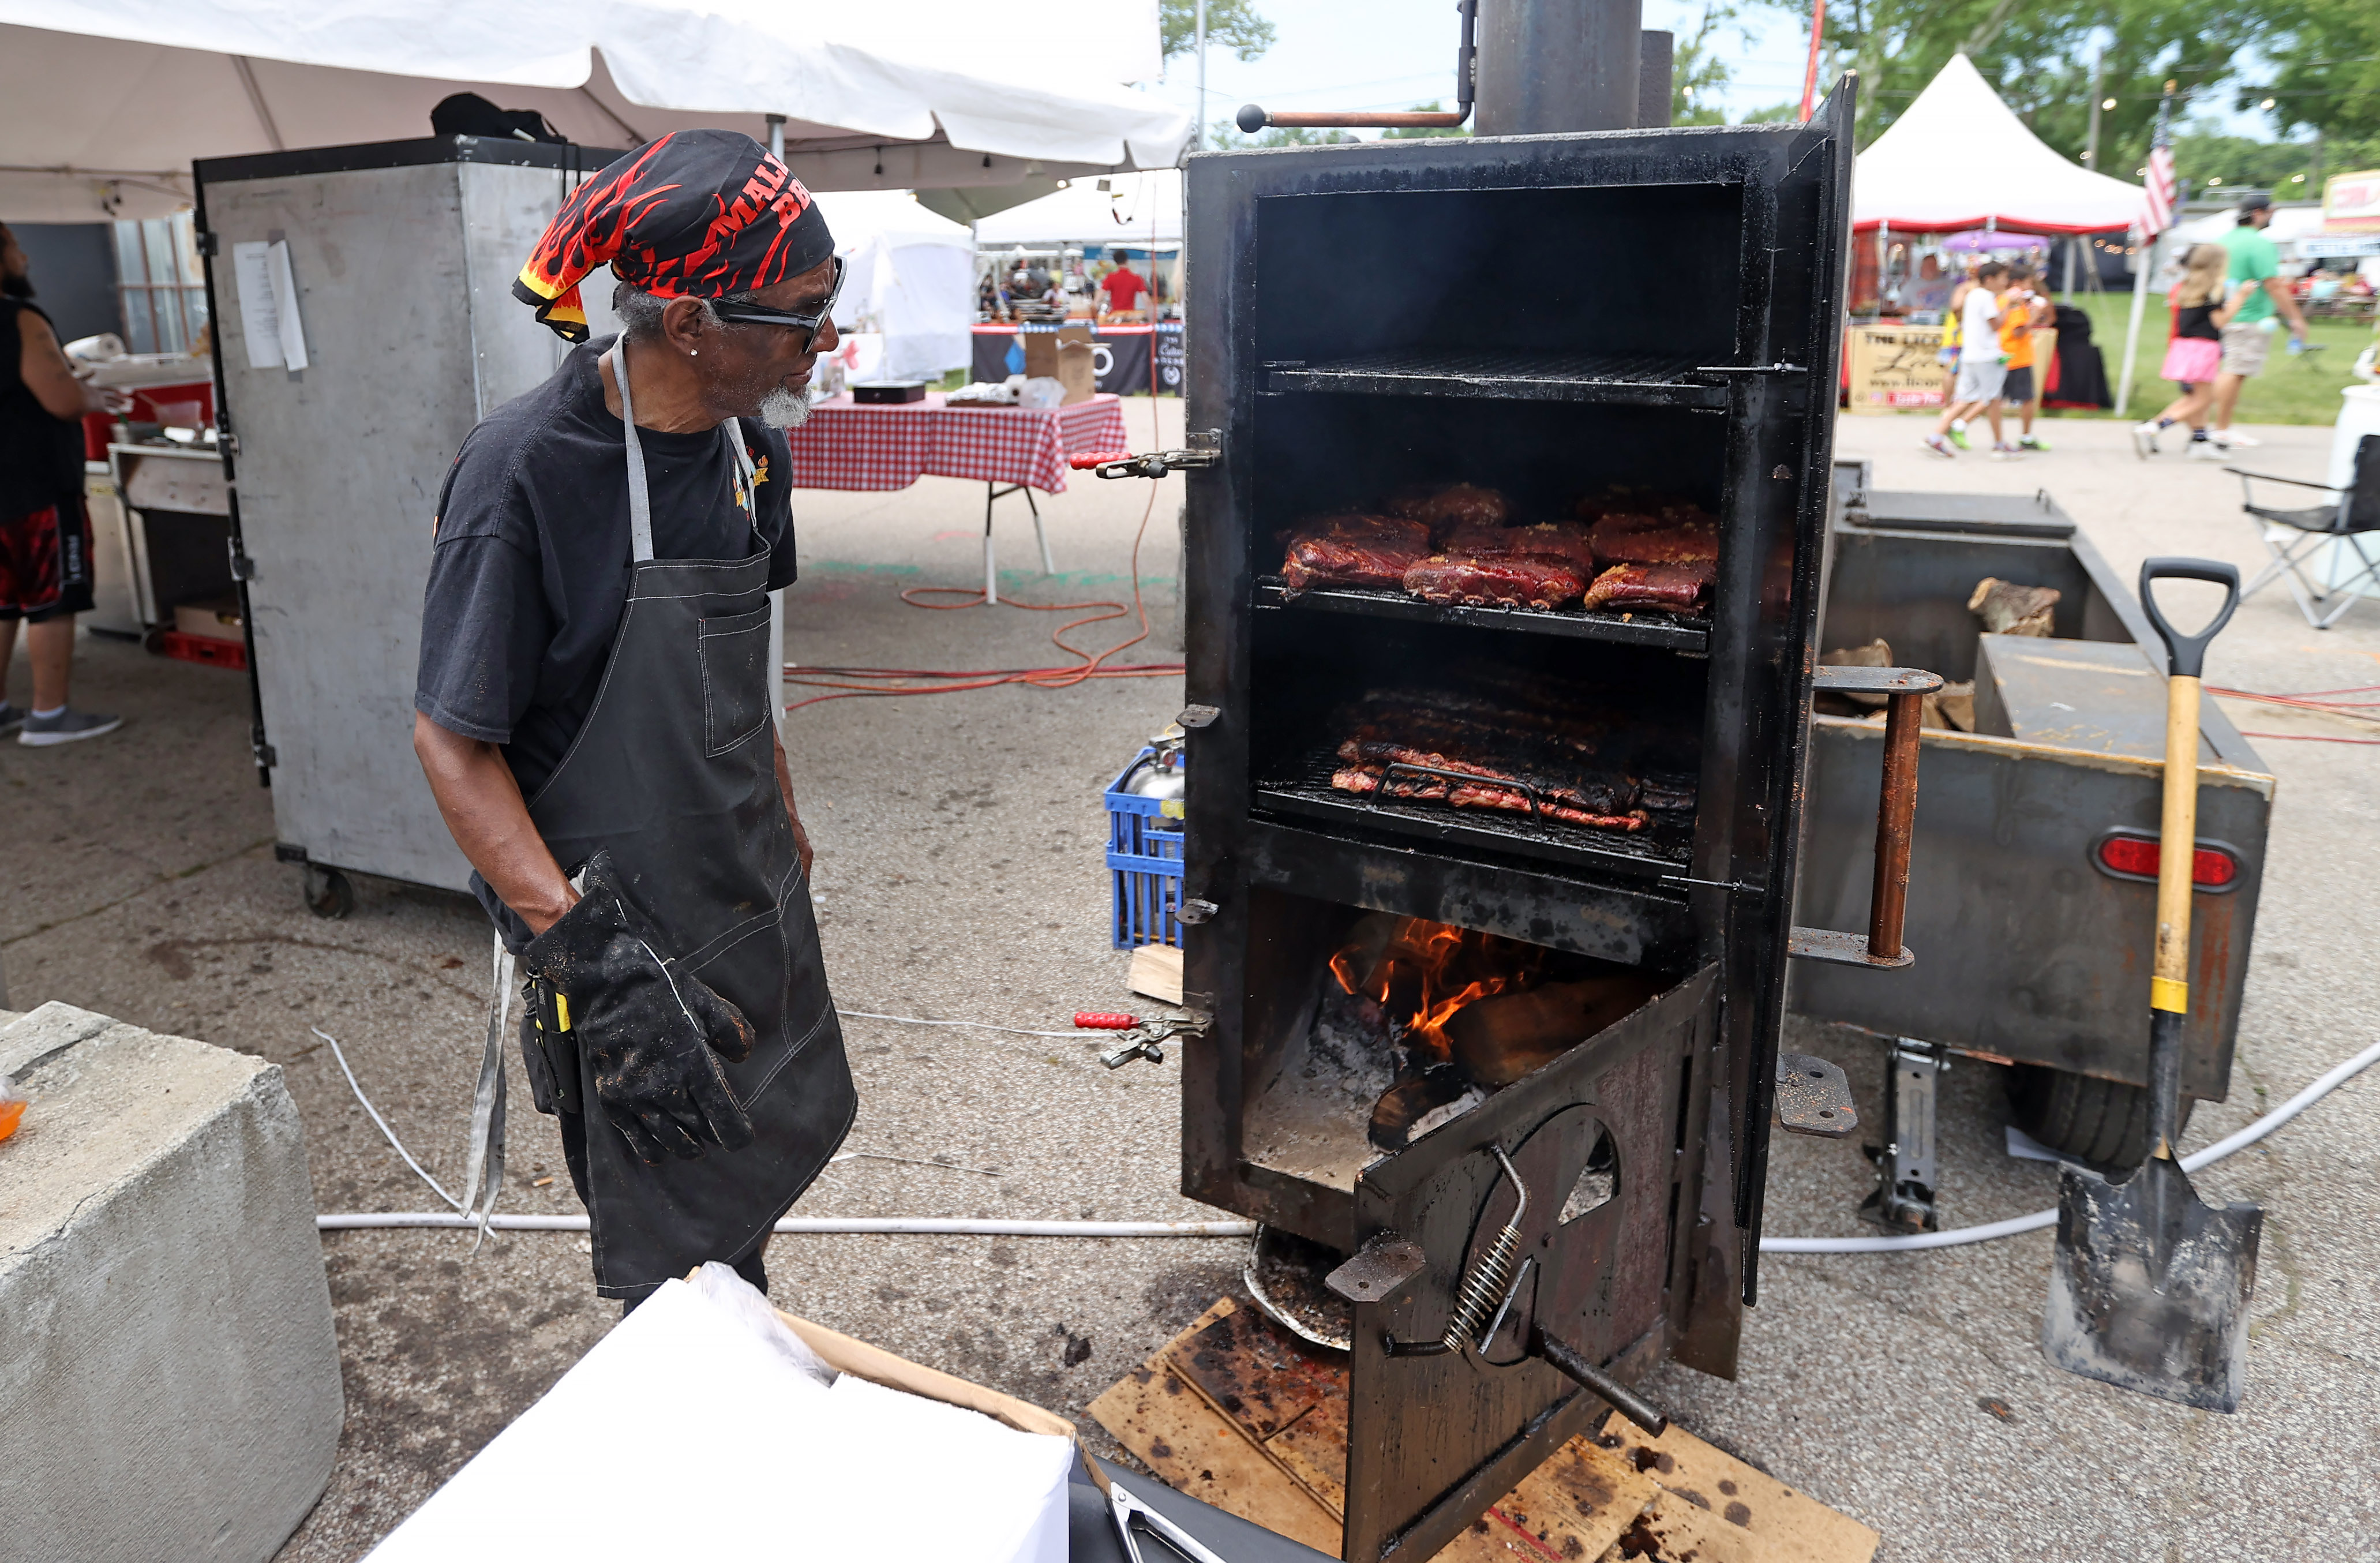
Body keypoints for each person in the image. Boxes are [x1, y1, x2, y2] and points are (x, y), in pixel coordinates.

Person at [411, 130, 857, 1310]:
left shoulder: (750, 452)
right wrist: (592, 961)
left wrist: (784, 822)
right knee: (674, 1259)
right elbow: (451, 743)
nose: (823, 342)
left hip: (738, 877)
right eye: (803, 315)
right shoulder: (524, 475)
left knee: (753, 1180)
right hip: (618, 925)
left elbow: (735, 660)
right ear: (693, 319)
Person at [0, 222, 122, 746]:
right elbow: (63, 400)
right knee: (53, 598)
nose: (24, 254)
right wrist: (96, 397)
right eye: (13, 244)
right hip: (37, 486)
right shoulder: (19, 319)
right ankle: (49, 716)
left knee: (3, 601)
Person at [2132, 244, 2261, 459]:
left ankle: (2197, 440)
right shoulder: (2212, 292)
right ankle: (2157, 426)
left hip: (2184, 346)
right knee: (2204, 399)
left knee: (2194, 396)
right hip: (2204, 348)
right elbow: (2221, 321)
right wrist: (2241, 297)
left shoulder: (2187, 288)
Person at [2209, 192, 2311, 451]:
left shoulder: (2222, 241)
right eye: (2270, 212)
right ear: (2258, 213)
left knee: (2232, 369)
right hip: (2249, 316)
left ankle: (2215, 424)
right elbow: (2274, 284)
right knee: (2236, 371)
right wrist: (2296, 319)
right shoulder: (2260, 244)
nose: (2272, 217)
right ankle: (2218, 427)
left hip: (2223, 313)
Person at [1923, 261, 2013, 459]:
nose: (2005, 283)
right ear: (1990, 279)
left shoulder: (1971, 294)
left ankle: (1937, 435)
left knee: (1965, 399)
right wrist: (2008, 304)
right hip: (1986, 355)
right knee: (1993, 398)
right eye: (2003, 278)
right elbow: (1996, 325)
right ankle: (1999, 444)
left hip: (1970, 354)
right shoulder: (1987, 297)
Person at [1996, 264, 2049, 453]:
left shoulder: (2003, 299)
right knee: (2027, 398)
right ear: (2017, 283)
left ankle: (1960, 423)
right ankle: (2025, 436)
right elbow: (2019, 331)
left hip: (2005, 352)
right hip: (2017, 355)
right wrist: (2036, 314)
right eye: (2028, 283)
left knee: (1994, 398)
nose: (2031, 287)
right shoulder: (2016, 302)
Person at [1097, 248, 1149, 320]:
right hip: (1130, 316)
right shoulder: (1137, 278)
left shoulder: (1110, 278)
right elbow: (1147, 301)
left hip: (1115, 316)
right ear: (1127, 261)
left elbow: (1099, 297)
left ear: (1116, 262)